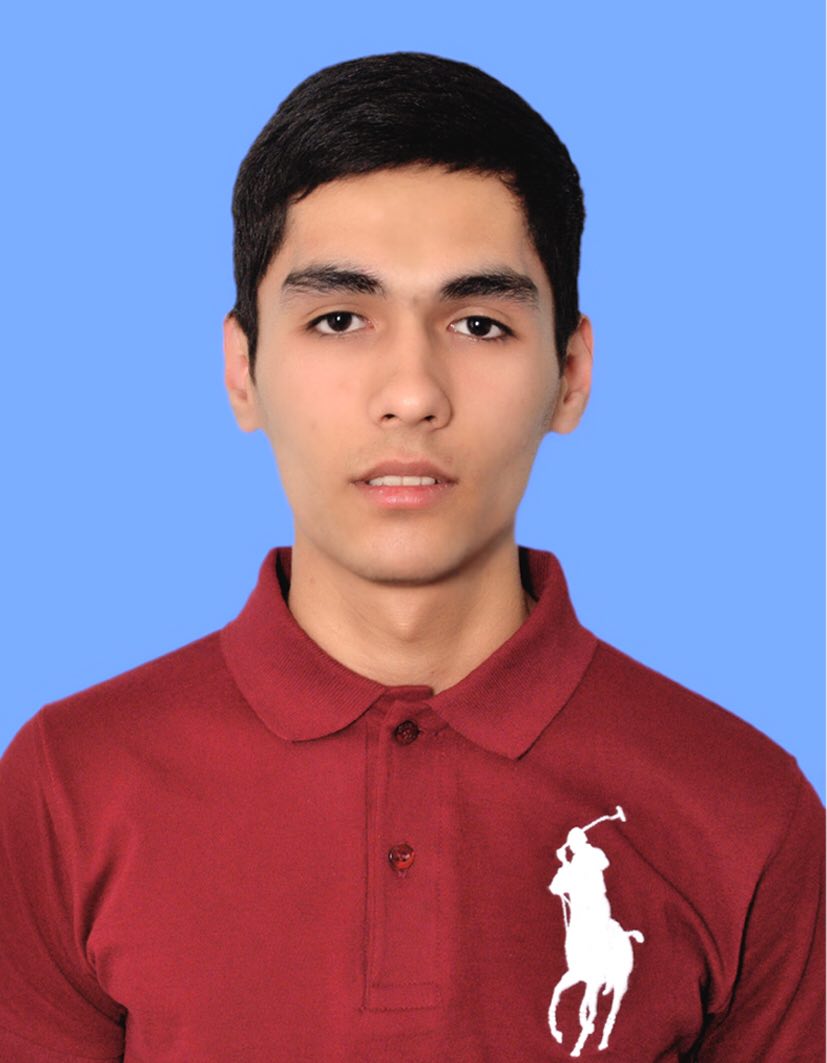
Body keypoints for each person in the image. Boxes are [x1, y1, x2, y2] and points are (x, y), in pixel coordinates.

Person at [0, 52, 823, 1062]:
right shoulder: (67, 785)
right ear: (242, 369)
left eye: (477, 322)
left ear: (569, 374)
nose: (410, 393)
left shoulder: (745, 807)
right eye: (339, 319)